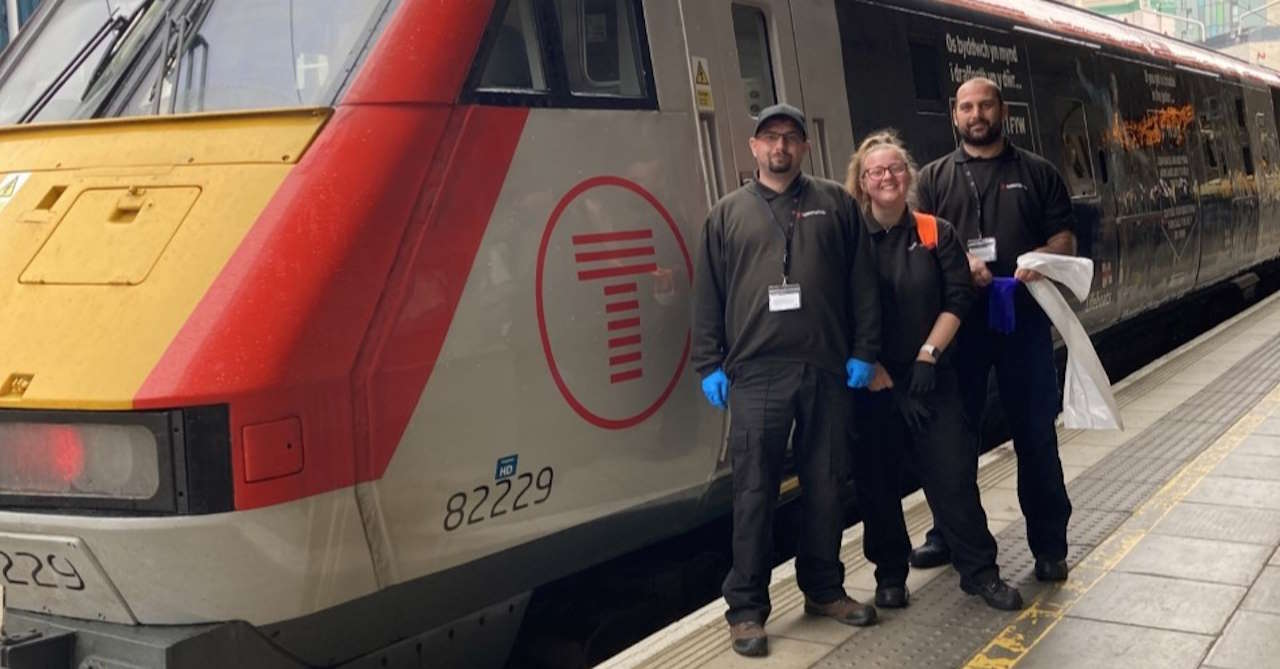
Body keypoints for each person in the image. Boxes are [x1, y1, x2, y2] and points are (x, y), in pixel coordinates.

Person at [691, 103, 882, 658]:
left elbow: (862, 284)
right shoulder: (726, 214)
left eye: (791, 138)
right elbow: (706, 296)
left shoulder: (836, 204)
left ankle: (823, 590)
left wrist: (864, 352)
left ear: (805, 147)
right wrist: (709, 365)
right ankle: (746, 609)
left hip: (827, 369)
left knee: (827, 485)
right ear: (753, 148)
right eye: (770, 138)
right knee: (753, 493)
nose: (781, 148)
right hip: (755, 375)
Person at [845, 130, 1023, 612]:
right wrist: (875, 369)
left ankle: (980, 573)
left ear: (909, 175)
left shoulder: (933, 231)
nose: (888, 178)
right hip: (874, 381)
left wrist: (928, 356)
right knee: (878, 484)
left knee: (953, 475)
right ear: (863, 182)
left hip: (930, 375)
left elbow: (958, 297)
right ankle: (889, 575)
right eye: (876, 171)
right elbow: (836, 308)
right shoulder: (850, 237)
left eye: (896, 168)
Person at [911, 77, 1076, 582]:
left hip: (1022, 323)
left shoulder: (1038, 172)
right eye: (967, 107)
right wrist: (959, 260)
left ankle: (1049, 545)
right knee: (951, 441)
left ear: (1002, 110)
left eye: (985, 105)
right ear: (954, 115)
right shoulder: (934, 178)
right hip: (957, 326)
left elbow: (1065, 237)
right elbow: (918, 239)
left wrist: (1043, 259)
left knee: (1035, 436)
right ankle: (948, 533)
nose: (976, 114)